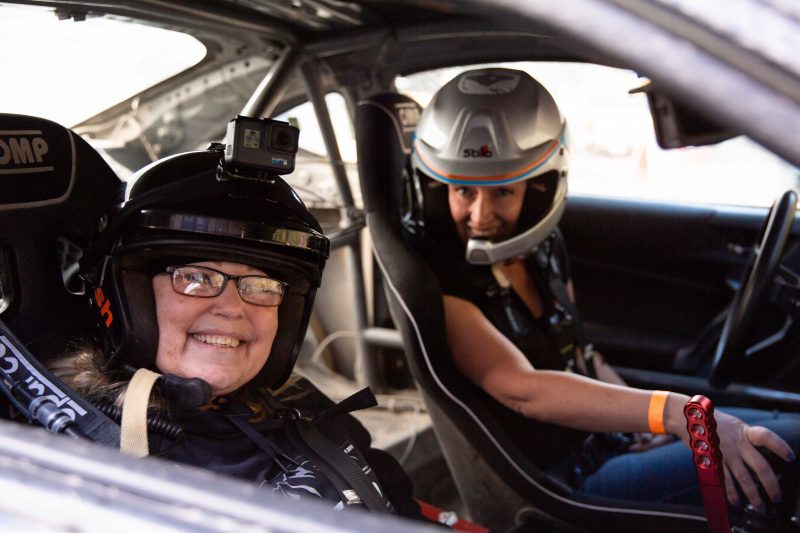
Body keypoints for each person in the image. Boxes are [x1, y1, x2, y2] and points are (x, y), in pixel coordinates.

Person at [409, 67, 799, 513]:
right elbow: (523, 389)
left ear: (537, 189)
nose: (480, 215)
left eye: (502, 193)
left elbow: (582, 353)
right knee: (787, 446)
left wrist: (643, 426)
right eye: (463, 191)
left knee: (780, 428)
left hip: (606, 445)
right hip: (567, 484)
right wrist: (675, 413)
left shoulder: (542, 248)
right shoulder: (443, 281)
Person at [49, 146, 421, 518]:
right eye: (196, 277)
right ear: (129, 296)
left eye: (261, 285)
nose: (232, 307)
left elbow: (399, 503)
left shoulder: (300, 404)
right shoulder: (79, 462)